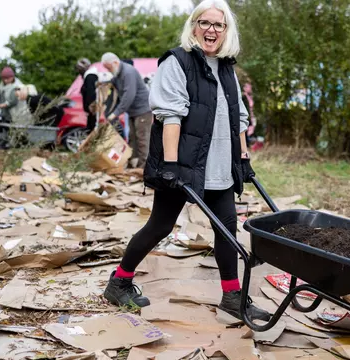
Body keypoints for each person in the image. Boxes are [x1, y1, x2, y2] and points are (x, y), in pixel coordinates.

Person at [103, 0, 270, 321]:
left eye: (218, 25)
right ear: (193, 27)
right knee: (160, 226)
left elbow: (238, 118)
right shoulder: (176, 63)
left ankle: (232, 296)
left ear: (226, 31)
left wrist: (244, 157)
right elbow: (171, 117)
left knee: (227, 231)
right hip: (182, 165)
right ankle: (119, 282)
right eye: (204, 23)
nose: (211, 30)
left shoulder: (226, 67)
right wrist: (170, 165)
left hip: (220, 165)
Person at [100, 52, 151, 169]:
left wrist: (115, 113)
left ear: (115, 62)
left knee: (142, 139)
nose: (109, 71)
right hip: (133, 112)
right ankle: (133, 164)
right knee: (132, 138)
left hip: (142, 111)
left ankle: (144, 167)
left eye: (109, 68)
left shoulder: (128, 72)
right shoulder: (118, 74)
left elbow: (129, 96)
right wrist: (103, 85)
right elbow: (113, 82)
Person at [75, 58, 99, 132]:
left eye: (79, 68)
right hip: (92, 109)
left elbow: (90, 94)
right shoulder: (89, 76)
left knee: (92, 129)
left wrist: (90, 108)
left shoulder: (90, 77)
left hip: (92, 110)